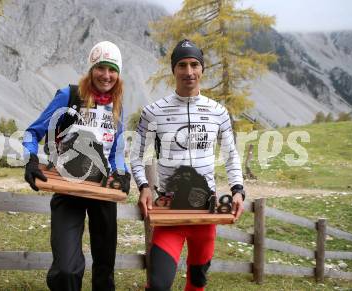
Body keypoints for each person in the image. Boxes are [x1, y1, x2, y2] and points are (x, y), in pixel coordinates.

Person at [130, 39, 246, 291]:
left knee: (197, 284)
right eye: (182, 65)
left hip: (206, 214)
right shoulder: (153, 112)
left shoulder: (218, 112)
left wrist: (238, 190)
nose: (189, 71)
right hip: (170, 212)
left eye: (195, 64)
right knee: (158, 285)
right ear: (173, 70)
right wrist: (143, 187)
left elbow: (231, 154)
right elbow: (136, 156)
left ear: (202, 69)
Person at [22, 41, 130, 291]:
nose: (106, 75)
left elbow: (116, 151)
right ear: (91, 69)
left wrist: (121, 172)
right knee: (66, 270)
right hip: (67, 186)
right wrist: (31, 159)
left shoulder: (117, 105)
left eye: (112, 69)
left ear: (118, 74)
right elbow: (32, 133)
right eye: (100, 68)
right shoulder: (68, 96)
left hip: (102, 190)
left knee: (105, 270)